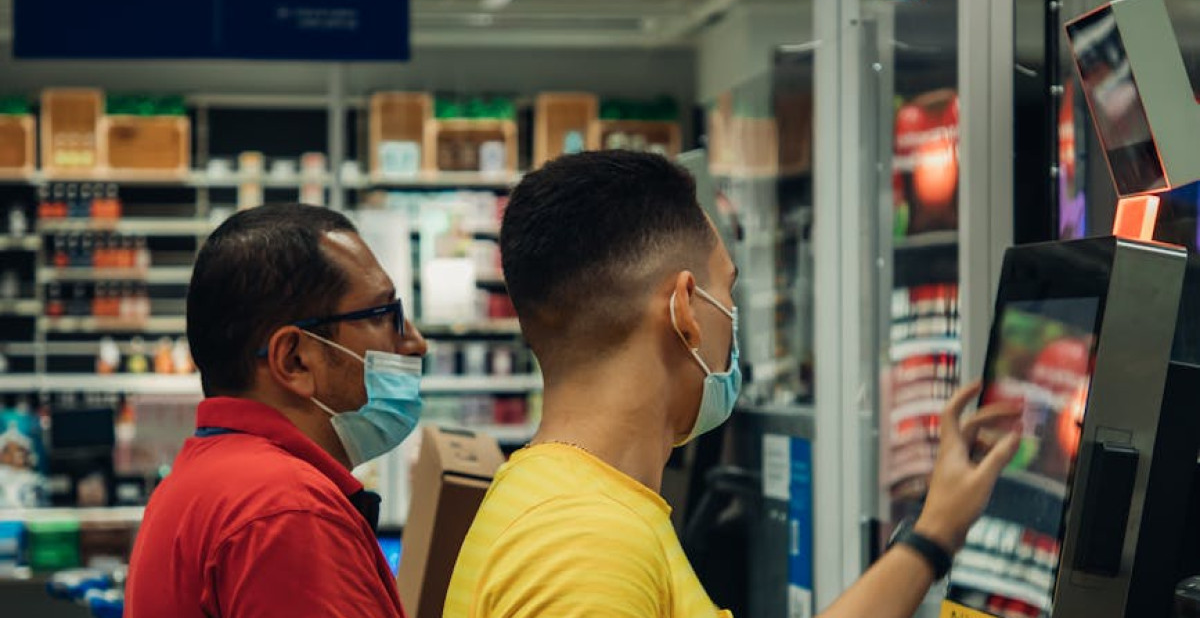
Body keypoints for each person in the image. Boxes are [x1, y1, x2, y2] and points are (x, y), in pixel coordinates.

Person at [443, 150, 1021, 618]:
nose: (734, 317)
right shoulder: (588, 545)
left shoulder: (569, 501)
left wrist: (931, 534)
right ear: (686, 309)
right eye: (730, 289)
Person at [126, 204, 427, 618]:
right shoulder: (288, 511)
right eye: (384, 314)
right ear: (295, 360)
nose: (414, 342)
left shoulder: (205, 479)